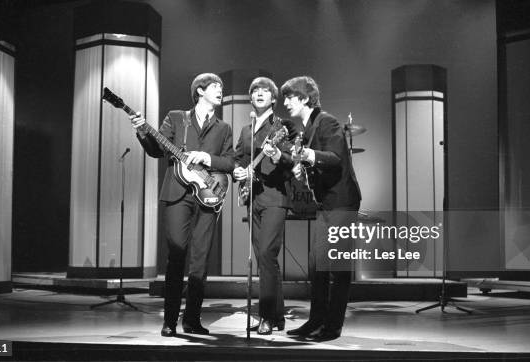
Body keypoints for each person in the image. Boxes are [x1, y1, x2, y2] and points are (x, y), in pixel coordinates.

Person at [130, 73, 235, 337]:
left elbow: (230, 163)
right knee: (176, 255)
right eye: (215, 87)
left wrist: (207, 158)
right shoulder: (177, 118)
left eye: (221, 87)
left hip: (209, 196)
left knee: (200, 262)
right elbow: (156, 149)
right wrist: (142, 130)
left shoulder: (224, 128)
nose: (220, 90)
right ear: (200, 91)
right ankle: (169, 321)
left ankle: (192, 320)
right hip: (177, 194)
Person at [267, 76, 361, 342]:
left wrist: (307, 156)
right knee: (317, 266)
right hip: (327, 203)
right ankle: (316, 321)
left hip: (342, 201)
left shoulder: (327, 121)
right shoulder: (308, 127)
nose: (285, 103)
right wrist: (301, 167)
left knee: (337, 269)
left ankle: (332, 328)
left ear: (305, 98)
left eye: (289, 97)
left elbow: (336, 158)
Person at [233, 77, 294, 335]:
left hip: (275, 197)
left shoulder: (281, 126)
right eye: (255, 90)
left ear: (273, 98)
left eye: (265, 91)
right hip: (253, 197)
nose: (259, 94)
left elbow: (293, 160)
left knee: (267, 254)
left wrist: (279, 156)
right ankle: (277, 316)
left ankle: (266, 316)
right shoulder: (246, 130)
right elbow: (237, 158)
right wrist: (237, 171)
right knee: (264, 259)